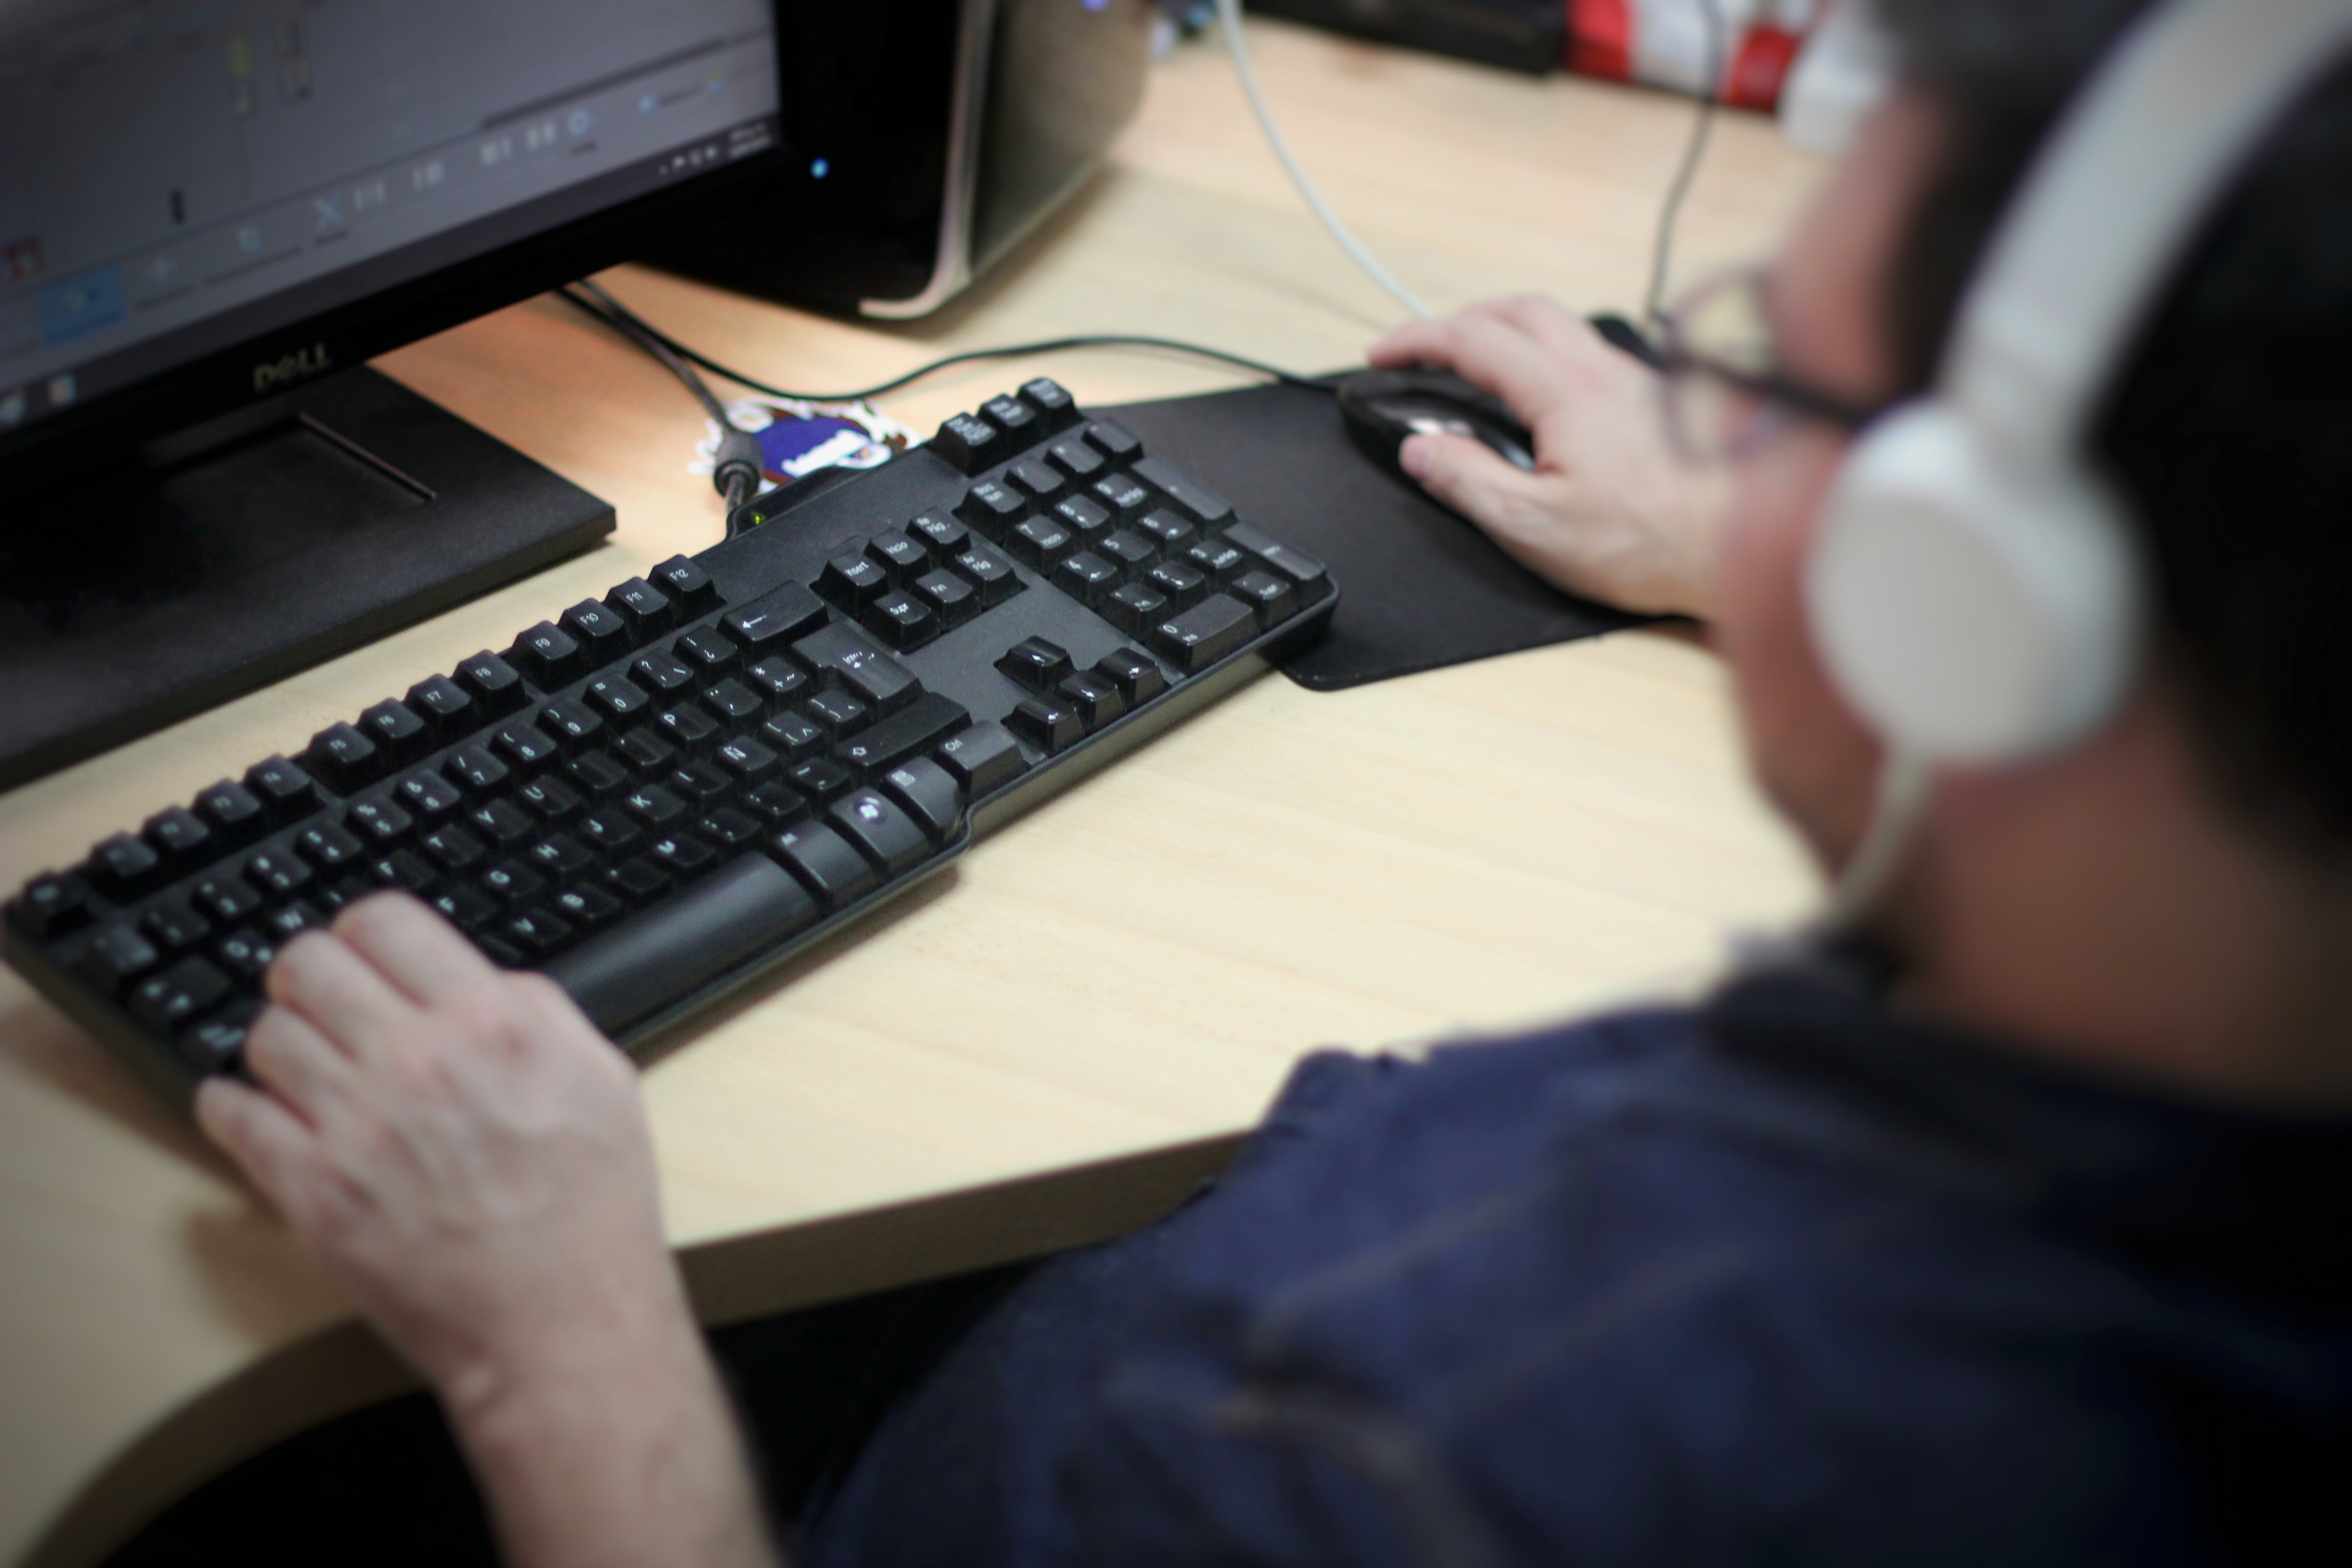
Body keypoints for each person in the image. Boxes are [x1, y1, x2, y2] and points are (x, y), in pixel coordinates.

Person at [190, 0, 2352, 1562]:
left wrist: (559, 1350)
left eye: (1770, 383)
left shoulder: (1407, 1442)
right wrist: (1752, 549)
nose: (1715, 428)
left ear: (1970, 597)